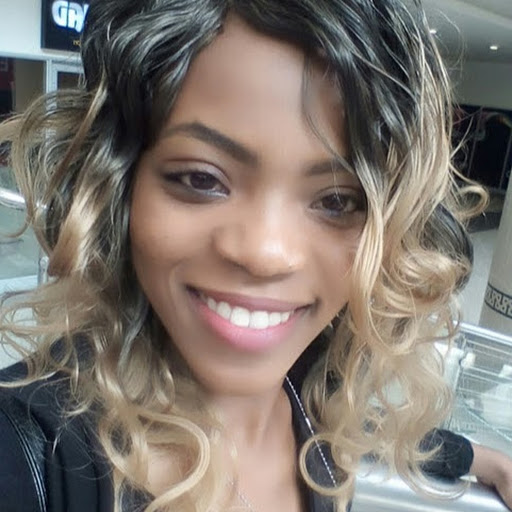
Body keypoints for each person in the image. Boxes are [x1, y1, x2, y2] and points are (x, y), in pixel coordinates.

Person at [0, 1, 511, 511]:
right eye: (201, 178)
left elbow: (367, 428)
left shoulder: (312, 393)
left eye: (337, 201)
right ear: (120, 186)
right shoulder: (28, 450)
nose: (266, 254)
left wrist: (479, 459)